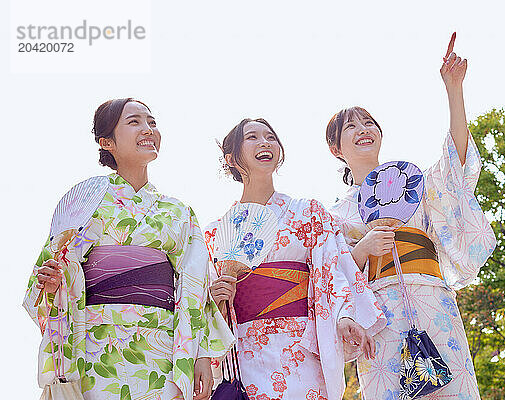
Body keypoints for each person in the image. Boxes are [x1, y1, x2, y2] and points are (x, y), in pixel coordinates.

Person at [23, 98, 235, 400]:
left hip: (162, 346)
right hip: (96, 346)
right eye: (134, 122)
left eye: (152, 122)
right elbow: (52, 273)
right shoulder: (86, 202)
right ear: (106, 141)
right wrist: (55, 282)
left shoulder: (177, 211)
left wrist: (199, 353)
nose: (148, 129)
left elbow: (195, 286)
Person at [326, 33, 497, 399]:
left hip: (432, 298)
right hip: (379, 311)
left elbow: (456, 168)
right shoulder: (335, 214)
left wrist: (454, 89)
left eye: (369, 122)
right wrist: (362, 249)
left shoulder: (414, 182)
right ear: (335, 148)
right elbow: (329, 272)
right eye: (351, 126)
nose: (364, 130)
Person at [204, 118, 386, 400]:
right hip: (246, 348)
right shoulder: (216, 231)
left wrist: (343, 315)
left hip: (299, 344)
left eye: (270, 137)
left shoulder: (307, 212)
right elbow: (206, 302)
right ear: (231, 158)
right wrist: (216, 300)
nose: (265, 143)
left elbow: (331, 268)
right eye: (252, 137)